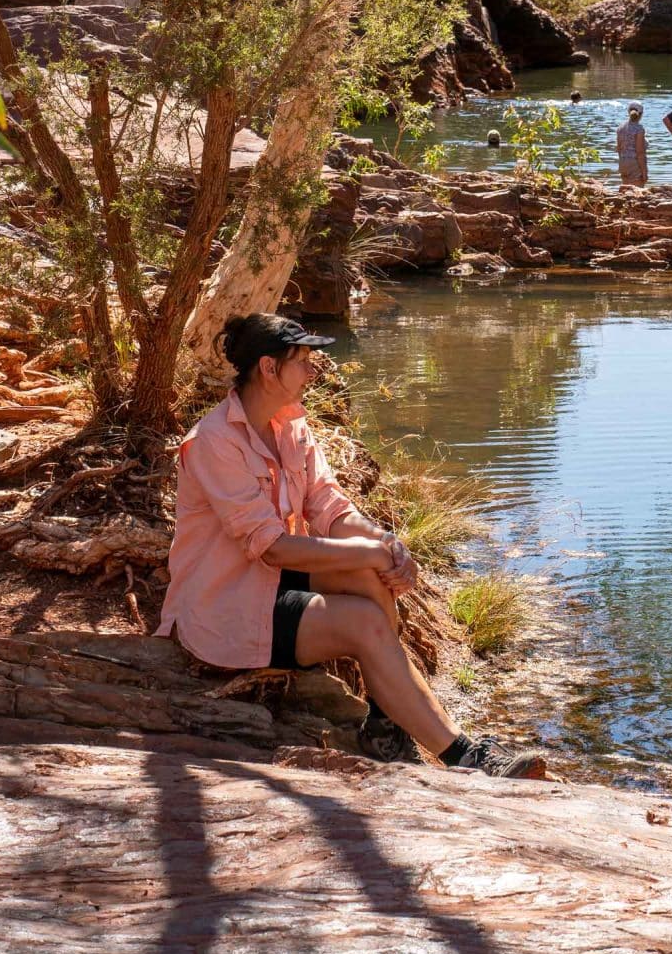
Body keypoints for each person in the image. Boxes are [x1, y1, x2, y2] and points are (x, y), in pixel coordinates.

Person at [158, 312, 542, 778]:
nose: (314, 369)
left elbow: (328, 507)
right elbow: (273, 548)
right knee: (363, 621)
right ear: (268, 368)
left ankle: (384, 723)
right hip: (225, 606)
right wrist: (371, 553)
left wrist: (386, 544)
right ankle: (466, 757)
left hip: (270, 580)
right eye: (303, 360)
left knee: (370, 576)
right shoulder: (212, 442)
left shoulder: (290, 427)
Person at [616, 102, 648, 187]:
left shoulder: (620, 127)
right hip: (635, 164)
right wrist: (644, 172)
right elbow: (640, 152)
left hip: (623, 163)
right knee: (638, 194)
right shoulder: (639, 129)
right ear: (641, 114)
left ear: (628, 112)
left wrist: (621, 163)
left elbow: (619, 149)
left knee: (625, 194)